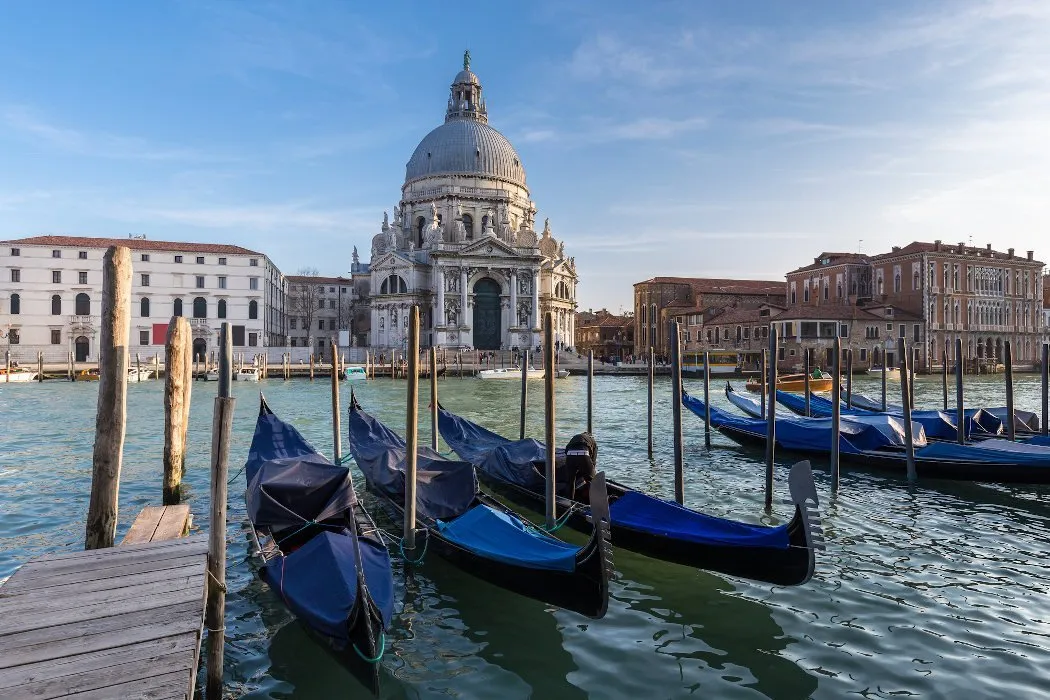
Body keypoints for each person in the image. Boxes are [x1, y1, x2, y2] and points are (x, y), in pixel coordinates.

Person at [562, 432, 598, 502]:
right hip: (584, 454)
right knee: (592, 481)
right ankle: (593, 503)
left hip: (570, 455)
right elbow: (593, 461)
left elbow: (566, 450)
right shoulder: (593, 441)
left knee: (570, 482)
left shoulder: (575, 437)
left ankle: (570, 502)